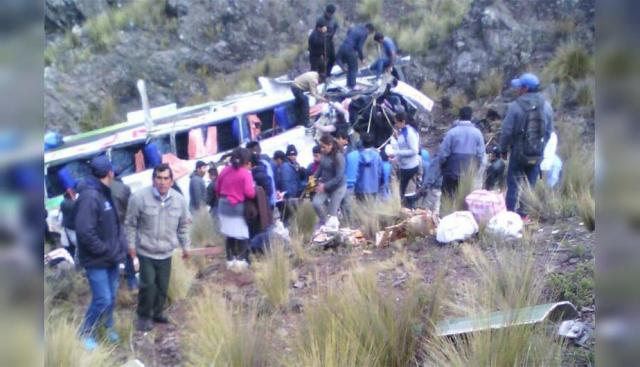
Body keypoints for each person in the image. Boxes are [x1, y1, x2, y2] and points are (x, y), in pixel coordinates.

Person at [126, 164, 190, 332]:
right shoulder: (139, 198)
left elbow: (183, 226)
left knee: (162, 286)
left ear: (171, 180)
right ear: (153, 179)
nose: (162, 182)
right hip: (146, 250)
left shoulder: (179, 200)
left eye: (166, 178)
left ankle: (157, 313)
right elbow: (130, 224)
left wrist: (186, 247)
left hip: (166, 251)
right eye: (159, 178)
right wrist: (131, 245)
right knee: (148, 285)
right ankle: (143, 316)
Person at [74, 155, 127, 350]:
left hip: (111, 258)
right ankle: (85, 333)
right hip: (97, 261)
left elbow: (114, 225)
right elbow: (84, 231)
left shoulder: (105, 192)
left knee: (111, 296)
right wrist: (104, 250)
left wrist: (119, 248)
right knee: (102, 298)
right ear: (109, 173)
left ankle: (107, 326)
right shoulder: (90, 196)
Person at [499, 73, 554, 219]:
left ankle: (510, 216)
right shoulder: (547, 106)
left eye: (519, 87)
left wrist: (503, 149)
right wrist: (540, 147)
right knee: (530, 186)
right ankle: (524, 216)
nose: (517, 90)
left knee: (513, 185)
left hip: (518, 153)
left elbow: (506, 131)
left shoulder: (515, 106)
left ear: (525, 88)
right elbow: (549, 132)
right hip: (536, 154)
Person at [215, 148, 256, 268]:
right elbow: (250, 193)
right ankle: (242, 261)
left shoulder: (224, 170)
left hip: (223, 206)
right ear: (247, 160)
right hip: (236, 208)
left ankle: (230, 260)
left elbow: (217, 188)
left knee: (229, 234)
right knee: (242, 234)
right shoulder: (245, 173)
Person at [439, 106, 486, 198]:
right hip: (468, 172)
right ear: (471, 117)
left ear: (459, 116)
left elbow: (443, 154)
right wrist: (476, 168)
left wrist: (442, 166)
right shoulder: (477, 133)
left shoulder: (452, 133)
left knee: (447, 197)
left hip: (451, 171)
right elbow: (481, 155)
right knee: (465, 199)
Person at [110, 174, 137, 291]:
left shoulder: (103, 190)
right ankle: (133, 283)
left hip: (109, 229)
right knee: (128, 256)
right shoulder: (124, 189)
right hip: (124, 226)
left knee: (114, 257)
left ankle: (114, 286)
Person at [313, 134, 347, 224]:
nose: (322, 149)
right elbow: (319, 170)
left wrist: (325, 185)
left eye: (324, 147)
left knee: (332, 214)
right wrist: (310, 183)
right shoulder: (324, 155)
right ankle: (325, 222)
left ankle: (332, 226)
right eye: (321, 147)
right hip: (325, 185)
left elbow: (339, 177)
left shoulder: (338, 157)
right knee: (316, 203)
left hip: (338, 187)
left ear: (330, 145)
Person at [390, 111, 420, 206]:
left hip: (409, 166)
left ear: (402, 122)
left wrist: (397, 153)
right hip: (404, 165)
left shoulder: (409, 133)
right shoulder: (403, 132)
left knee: (401, 191)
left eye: (396, 122)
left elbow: (414, 150)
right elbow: (404, 146)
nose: (395, 125)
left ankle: (405, 208)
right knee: (402, 190)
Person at [336, 23, 375, 89]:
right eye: (370, 33)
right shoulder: (364, 33)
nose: (369, 34)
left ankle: (344, 70)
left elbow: (349, 32)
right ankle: (352, 85)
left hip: (342, 46)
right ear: (369, 30)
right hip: (350, 50)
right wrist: (362, 58)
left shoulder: (356, 27)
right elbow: (359, 47)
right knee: (354, 68)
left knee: (342, 62)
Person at [336, 130, 359, 223]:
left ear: (344, 139)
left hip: (345, 183)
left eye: (338, 139)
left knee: (346, 207)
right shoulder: (356, 152)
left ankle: (349, 224)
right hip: (354, 183)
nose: (337, 140)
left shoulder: (345, 153)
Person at [247, 141, 277, 208]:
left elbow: (269, 184)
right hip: (272, 200)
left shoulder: (261, 165)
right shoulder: (267, 162)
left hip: (266, 203)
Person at [273, 150, 299, 225]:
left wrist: (284, 194)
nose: (275, 163)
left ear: (279, 159)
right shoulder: (287, 166)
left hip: (288, 196)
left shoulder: (284, 168)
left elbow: (286, 182)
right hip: (291, 194)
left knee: (288, 217)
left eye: (275, 160)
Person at [355, 132, 382, 201]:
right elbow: (379, 172)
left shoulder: (358, 155)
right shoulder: (377, 155)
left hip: (360, 187)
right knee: (371, 208)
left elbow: (356, 172)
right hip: (373, 187)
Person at [317, 4, 339, 75]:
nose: (330, 15)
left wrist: (332, 34)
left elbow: (335, 27)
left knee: (332, 58)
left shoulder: (333, 20)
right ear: (326, 12)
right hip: (321, 41)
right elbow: (317, 30)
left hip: (329, 41)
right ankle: (321, 75)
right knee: (322, 59)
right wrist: (321, 30)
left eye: (331, 14)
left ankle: (327, 74)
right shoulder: (320, 19)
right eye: (329, 13)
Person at [420, 151, 443, 216]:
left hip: (433, 188)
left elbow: (431, 177)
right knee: (436, 208)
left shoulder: (435, 161)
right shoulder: (446, 160)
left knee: (428, 210)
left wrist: (424, 187)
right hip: (441, 188)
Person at [59, 190, 77, 259]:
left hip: (67, 227)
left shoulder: (63, 202)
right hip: (73, 227)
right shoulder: (73, 204)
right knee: (77, 245)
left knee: (71, 243)